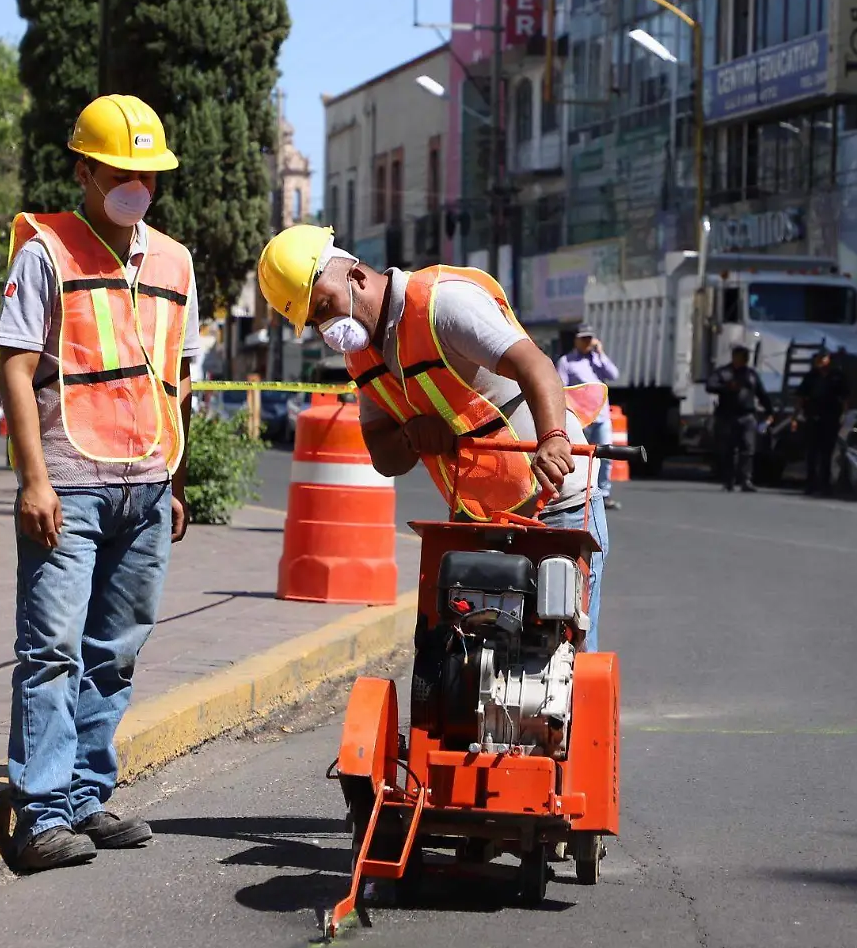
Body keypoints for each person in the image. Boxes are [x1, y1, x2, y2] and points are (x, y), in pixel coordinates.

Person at [0, 94, 201, 873]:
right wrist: (32, 481)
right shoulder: (45, 251)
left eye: (148, 173)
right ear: (84, 168)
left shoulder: (175, 262)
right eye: (122, 170)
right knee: (51, 651)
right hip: (69, 484)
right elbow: (14, 365)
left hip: (146, 485)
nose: (137, 185)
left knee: (114, 652)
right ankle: (41, 812)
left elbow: (171, 377)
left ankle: (85, 796)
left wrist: (173, 479)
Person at [255, 225, 613, 649]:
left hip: (556, 502)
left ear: (355, 277)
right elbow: (384, 457)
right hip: (478, 517)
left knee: (562, 655)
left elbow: (535, 365)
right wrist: (410, 437)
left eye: (325, 306)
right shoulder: (361, 357)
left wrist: (553, 438)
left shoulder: (443, 305)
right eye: (315, 321)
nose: (328, 326)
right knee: (466, 656)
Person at [557, 326, 622, 510]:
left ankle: (604, 494)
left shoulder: (597, 360)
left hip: (601, 416)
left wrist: (600, 354)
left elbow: (614, 375)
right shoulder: (566, 362)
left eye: (589, 339)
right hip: (581, 419)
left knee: (605, 456)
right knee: (580, 456)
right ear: (576, 340)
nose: (586, 342)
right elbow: (561, 389)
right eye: (583, 338)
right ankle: (578, 495)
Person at [707, 346, 770, 492]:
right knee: (729, 450)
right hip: (728, 416)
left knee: (748, 448)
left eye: (746, 356)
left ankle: (746, 480)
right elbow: (710, 385)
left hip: (747, 416)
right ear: (734, 357)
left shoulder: (751, 375)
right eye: (742, 356)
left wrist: (769, 410)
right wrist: (727, 387)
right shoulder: (724, 372)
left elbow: (761, 393)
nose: (745, 359)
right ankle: (729, 480)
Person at [796, 347, 850, 496]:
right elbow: (801, 396)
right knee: (811, 453)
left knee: (827, 453)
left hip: (830, 418)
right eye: (818, 358)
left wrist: (844, 415)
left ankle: (825, 485)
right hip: (813, 417)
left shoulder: (837, 376)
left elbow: (845, 397)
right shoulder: (811, 376)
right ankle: (810, 484)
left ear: (829, 360)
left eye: (823, 358)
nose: (820, 361)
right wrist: (797, 415)